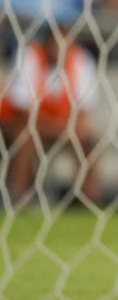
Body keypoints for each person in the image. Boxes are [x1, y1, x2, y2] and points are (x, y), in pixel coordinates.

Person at [1, 25, 100, 204]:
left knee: (89, 141)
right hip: (18, 125)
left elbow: (84, 112)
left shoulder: (81, 60)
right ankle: (20, 200)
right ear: (46, 42)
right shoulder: (29, 56)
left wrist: (70, 129)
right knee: (24, 136)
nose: (58, 49)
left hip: (60, 128)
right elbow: (23, 113)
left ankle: (88, 201)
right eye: (55, 43)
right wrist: (62, 129)